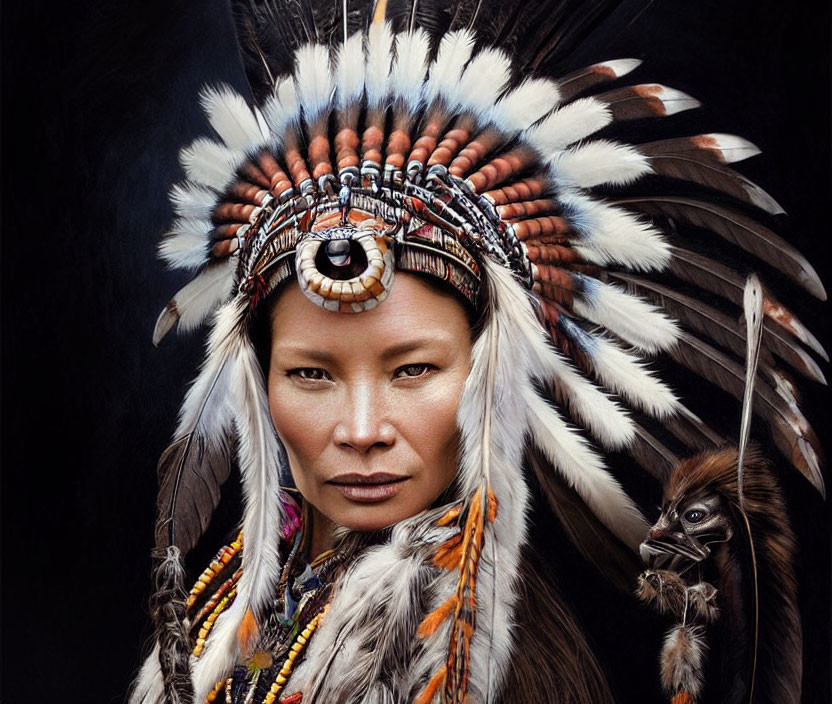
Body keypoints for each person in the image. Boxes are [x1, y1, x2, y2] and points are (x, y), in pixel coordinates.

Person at [130, 1, 824, 702]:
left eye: (413, 370)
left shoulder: (501, 668)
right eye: (311, 374)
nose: (362, 431)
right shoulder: (228, 606)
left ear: (490, 375)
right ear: (258, 383)